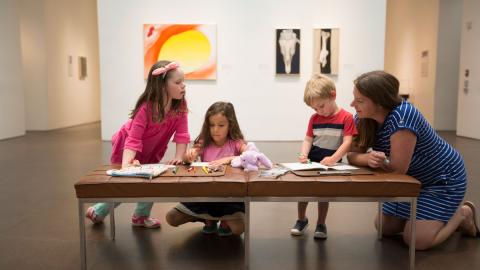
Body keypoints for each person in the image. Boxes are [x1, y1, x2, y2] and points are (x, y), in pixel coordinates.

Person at [347, 70, 480, 250]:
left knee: (416, 241)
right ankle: (429, 217)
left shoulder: (404, 116)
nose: (352, 104)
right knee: (384, 227)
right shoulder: (362, 118)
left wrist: (373, 161)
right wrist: (367, 158)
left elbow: (398, 169)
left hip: (441, 180)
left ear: (379, 102)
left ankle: (462, 214)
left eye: (359, 100)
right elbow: (352, 156)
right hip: (410, 180)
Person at [85, 61, 190, 228]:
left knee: (150, 183)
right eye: (178, 82)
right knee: (127, 185)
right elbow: (133, 139)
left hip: (152, 150)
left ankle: (140, 216)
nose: (183, 86)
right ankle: (98, 210)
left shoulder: (180, 106)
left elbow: (182, 134)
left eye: (183, 81)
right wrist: (127, 164)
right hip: (127, 148)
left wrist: (178, 157)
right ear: (162, 85)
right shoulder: (145, 108)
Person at [165, 101, 247, 236]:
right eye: (211, 125)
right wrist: (188, 157)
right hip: (205, 195)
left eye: (221, 125)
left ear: (230, 125)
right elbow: (187, 158)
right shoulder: (204, 142)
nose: (215, 129)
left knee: (238, 229)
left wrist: (230, 158)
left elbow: (251, 154)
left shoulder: (236, 142)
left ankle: (222, 218)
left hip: (229, 198)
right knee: (171, 218)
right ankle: (207, 218)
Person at [291, 74, 357, 239]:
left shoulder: (347, 118)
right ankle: (301, 219)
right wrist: (303, 154)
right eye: (315, 109)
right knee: (303, 191)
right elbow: (308, 138)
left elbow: (348, 142)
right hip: (313, 159)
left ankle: (321, 223)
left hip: (332, 162)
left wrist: (334, 158)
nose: (319, 111)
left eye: (321, 106)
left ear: (333, 95)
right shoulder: (315, 119)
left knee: (323, 193)